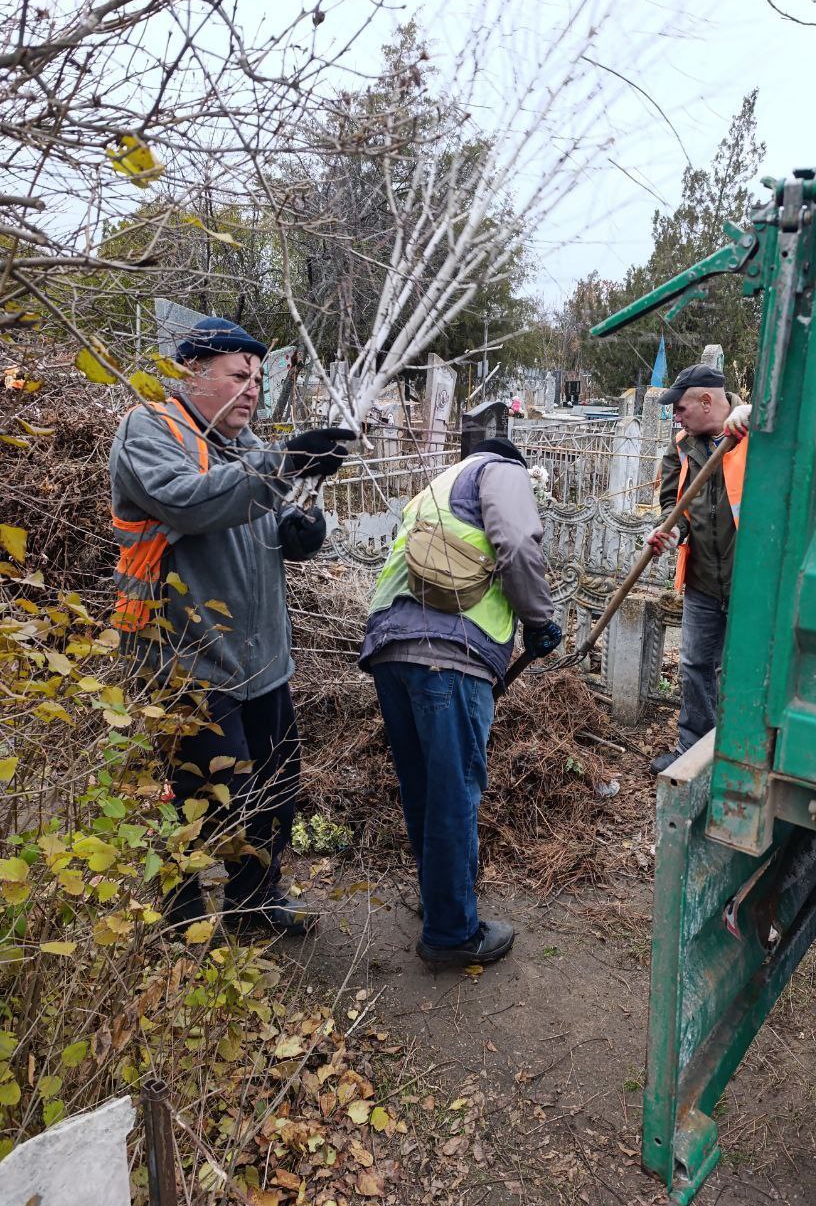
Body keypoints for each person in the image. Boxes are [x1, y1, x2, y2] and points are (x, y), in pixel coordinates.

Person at [109, 315, 354, 934]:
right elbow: (192, 503)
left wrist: (298, 533)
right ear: (193, 373)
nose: (252, 389)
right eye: (239, 376)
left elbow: (253, 521)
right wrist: (286, 462)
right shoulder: (150, 431)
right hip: (188, 662)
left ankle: (254, 904)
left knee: (276, 787)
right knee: (206, 794)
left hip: (263, 661)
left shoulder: (243, 447)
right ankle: (179, 919)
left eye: (257, 379)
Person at [359, 437, 561, 967]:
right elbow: (517, 546)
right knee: (454, 793)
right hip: (449, 656)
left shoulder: (439, 487)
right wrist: (539, 621)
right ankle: (451, 935)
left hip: (391, 650)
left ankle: (440, 901)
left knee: (424, 788)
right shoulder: (502, 471)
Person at [646, 363, 751, 775]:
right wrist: (672, 532)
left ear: (707, 401)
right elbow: (675, 507)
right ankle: (692, 750)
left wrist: (753, 420)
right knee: (693, 665)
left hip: (750, 582)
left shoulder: (753, 432)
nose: (676, 416)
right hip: (704, 580)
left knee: (740, 669)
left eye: (681, 408)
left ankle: (738, 754)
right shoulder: (680, 446)